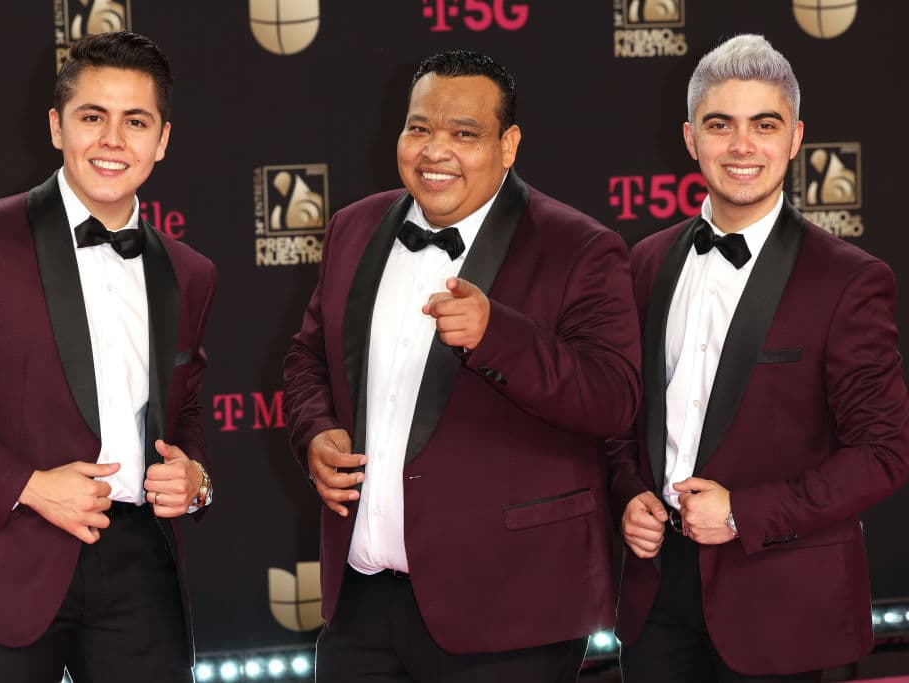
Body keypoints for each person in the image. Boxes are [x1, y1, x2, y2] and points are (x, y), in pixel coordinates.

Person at [283, 50, 641, 681]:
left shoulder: (579, 247)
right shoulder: (352, 228)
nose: (434, 150)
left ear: (509, 145)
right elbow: (309, 354)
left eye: (464, 134)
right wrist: (315, 430)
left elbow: (613, 398)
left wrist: (497, 334)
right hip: (362, 602)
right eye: (419, 128)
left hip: (513, 612)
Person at [0, 30, 216, 683]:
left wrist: (198, 481)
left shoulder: (189, 270)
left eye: (136, 121)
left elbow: (187, 410)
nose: (113, 139)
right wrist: (31, 486)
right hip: (1, 544)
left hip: (137, 563)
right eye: (93, 116)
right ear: (57, 126)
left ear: (163, 139)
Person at [608, 33, 909, 682]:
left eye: (763, 125)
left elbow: (883, 452)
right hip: (656, 597)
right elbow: (620, 419)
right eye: (721, 125)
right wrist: (628, 493)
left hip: (783, 601)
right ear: (691, 139)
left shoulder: (849, 280)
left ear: (796, 139)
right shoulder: (644, 263)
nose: (742, 146)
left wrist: (742, 513)